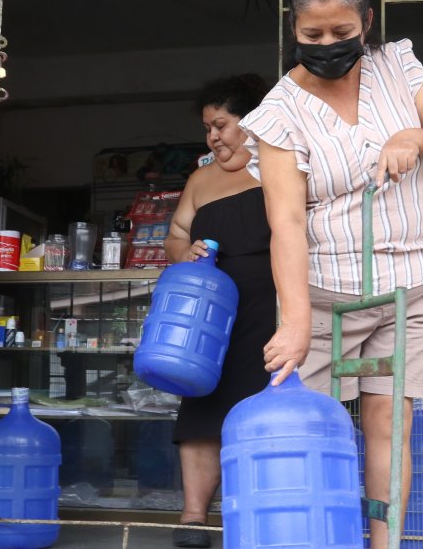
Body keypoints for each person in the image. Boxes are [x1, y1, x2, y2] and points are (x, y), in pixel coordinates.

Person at [239, 0, 423, 547]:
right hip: (323, 294)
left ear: (366, 22)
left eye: (342, 33)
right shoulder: (277, 114)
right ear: (293, 30)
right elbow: (287, 222)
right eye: (311, 34)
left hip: (416, 285)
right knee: (307, 429)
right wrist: (295, 322)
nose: (327, 44)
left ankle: (384, 543)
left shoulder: (399, 68)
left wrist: (414, 136)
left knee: (388, 424)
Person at [162, 74, 274, 548]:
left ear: (249, 123)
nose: (213, 136)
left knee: (259, 406)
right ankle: (193, 519)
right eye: (208, 128)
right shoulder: (200, 178)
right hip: (205, 314)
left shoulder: (278, 167)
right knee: (201, 405)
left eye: (222, 125)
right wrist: (182, 252)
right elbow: (174, 235)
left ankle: (258, 517)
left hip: (267, 304)